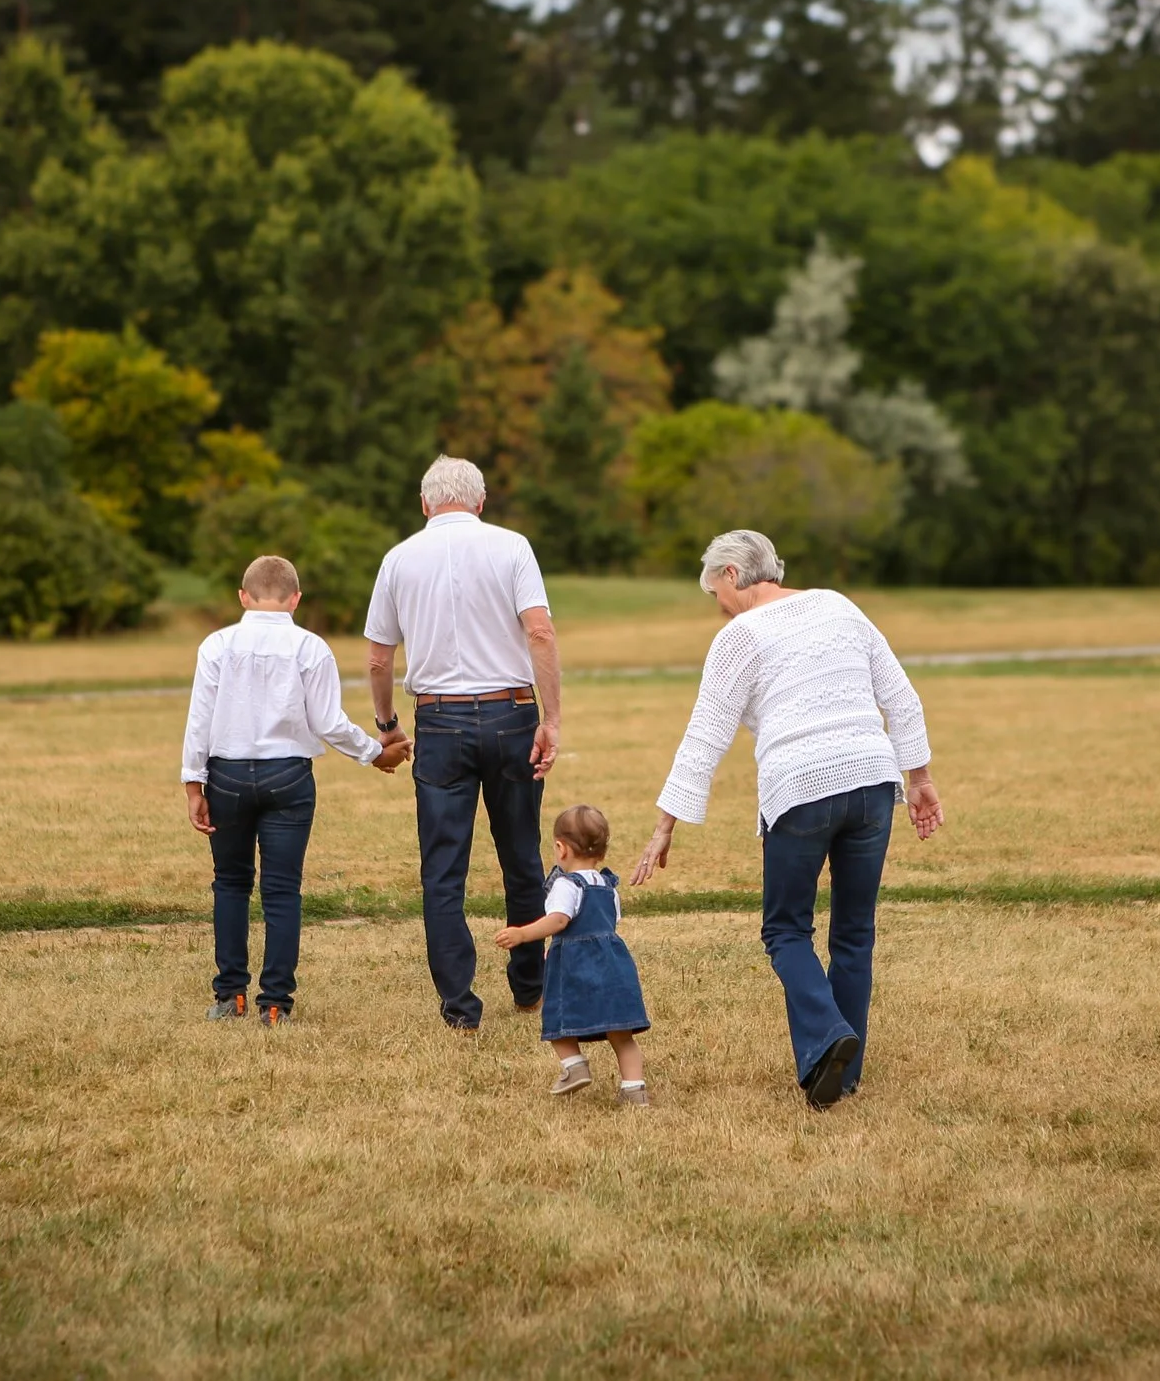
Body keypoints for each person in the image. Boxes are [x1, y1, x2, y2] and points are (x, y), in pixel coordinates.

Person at [631, 529, 943, 1110]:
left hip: (801, 789)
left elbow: (705, 737)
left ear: (730, 575)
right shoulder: (838, 604)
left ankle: (829, 1038)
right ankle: (842, 1076)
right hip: (875, 785)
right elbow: (902, 698)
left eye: (713, 592)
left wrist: (664, 827)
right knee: (854, 932)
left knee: (785, 930)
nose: (716, 607)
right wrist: (919, 780)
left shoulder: (739, 636)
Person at [364, 454, 561, 1031]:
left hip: (440, 722)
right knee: (521, 854)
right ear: (480, 500)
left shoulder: (398, 558)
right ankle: (530, 987)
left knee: (443, 868)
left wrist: (386, 724)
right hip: (512, 713)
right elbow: (541, 631)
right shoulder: (512, 546)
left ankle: (460, 1004)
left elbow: (379, 655)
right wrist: (552, 718)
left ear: (425, 504)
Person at [183, 554, 407, 1025]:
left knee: (230, 882)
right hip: (288, 774)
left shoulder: (216, 645)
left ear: (243, 596)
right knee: (283, 890)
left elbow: (199, 719)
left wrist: (193, 783)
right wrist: (375, 752)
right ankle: (275, 1003)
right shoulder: (310, 647)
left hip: (226, 773)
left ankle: (230, 995)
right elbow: (327, 721)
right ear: (296, 599)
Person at [494, 804, 651, 1106]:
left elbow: (559, 920)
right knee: (621, 1033)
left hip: (577, 965)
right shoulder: (608, 886)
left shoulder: (566, 885)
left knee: (559, 1021)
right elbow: (609, 923)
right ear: (603, 851)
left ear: (560, 848)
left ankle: (574, 1066)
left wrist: (523, 934)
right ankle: (635, 1089)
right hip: (615, 964)